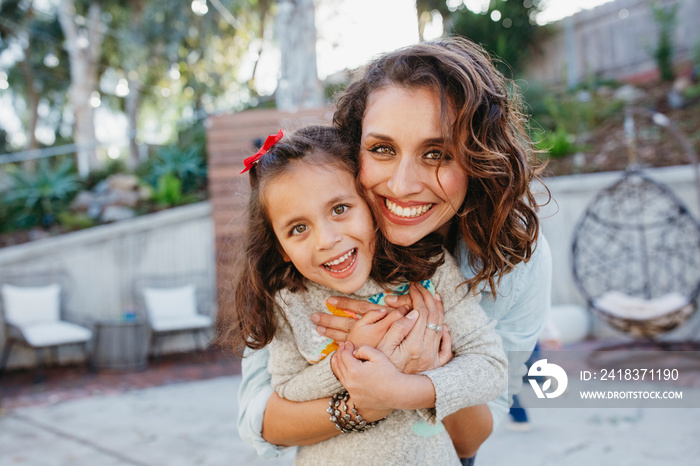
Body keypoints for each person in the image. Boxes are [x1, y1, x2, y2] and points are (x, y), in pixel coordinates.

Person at [231, 36, 552, 463]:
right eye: (382, 149)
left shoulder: (513, 260)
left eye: (437, 154)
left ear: (478, 160)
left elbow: (471, 438)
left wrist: (418, 372)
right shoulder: (300, 273)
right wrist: (367, 390)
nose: (401, 185)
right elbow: (263, 420)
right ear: (352, 149)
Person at [229, 125, 507, 464]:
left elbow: (491, 366)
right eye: (298, 228)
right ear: (281, 248)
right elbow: (287, 390)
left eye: (340, 209)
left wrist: (405, 387)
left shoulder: (428, 271)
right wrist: (359, 355)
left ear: (371, 204)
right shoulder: (289, 301)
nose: (327, 239)